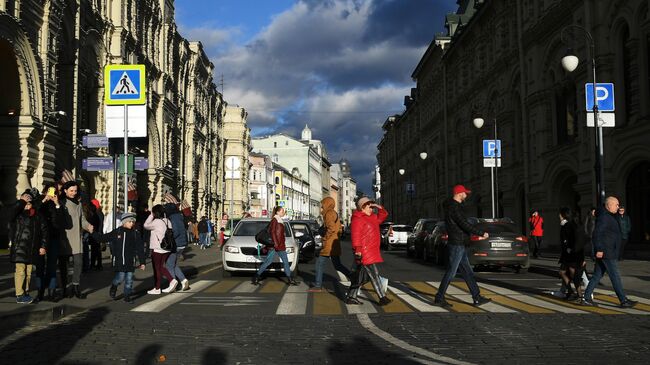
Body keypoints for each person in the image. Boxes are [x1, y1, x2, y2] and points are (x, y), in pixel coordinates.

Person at [434, 185, 491, 307]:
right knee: (451, 272)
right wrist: (481, 233)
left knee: (467, 272)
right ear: (459, 194)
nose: (466, 195)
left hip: (460, 243)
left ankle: (477, 297)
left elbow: (462, 224)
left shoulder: (453, 206)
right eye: (465, 193)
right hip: (457, 244)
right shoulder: (454, 208)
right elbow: (464, 224)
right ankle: (439, 297)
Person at [581, 197, 637, 308]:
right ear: (608, 205)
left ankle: (586, 298)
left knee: (597, 276)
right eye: (616, 204)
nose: (618, 206)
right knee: (615, 276)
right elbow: (597, 234)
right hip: (607, 252)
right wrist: (600, 249)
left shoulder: (608, 216)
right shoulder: (605, 217)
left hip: (608, 251)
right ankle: (623, 300)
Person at [345, 197, 391, 306]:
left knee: (360, 276)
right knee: (374, 274)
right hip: (364, 252)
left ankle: (351, 296)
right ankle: (382, 297)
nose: (371, 208)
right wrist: (358, 250)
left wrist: (379, 207)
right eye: (369, 206)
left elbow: (383, 215)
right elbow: (356, 236)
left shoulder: (372, 218)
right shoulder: (358, 219)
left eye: (372, 206)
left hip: (370, 250)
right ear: (362, 207)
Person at [92, 212, 146, 303]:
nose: (132, 223)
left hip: (130, 262)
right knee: (120, 278)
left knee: (129, 280)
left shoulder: (135, 234)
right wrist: (93, 233)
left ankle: (127, 296)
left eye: (133, 222)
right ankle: (114, 286)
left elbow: (140, 249)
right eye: (129, 222)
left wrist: (142, 262)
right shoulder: (117, 232)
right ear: (124, 222)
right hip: (119, 261)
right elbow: (103, 238)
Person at [9, 190, 48, 304]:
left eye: (28, 203)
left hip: (32, 249)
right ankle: (19, 294)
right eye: (24, 203)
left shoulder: (37, 215)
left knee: (29, 272)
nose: (26, 205)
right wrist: (21, 202)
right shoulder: (17, 214)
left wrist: (43, 246)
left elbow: (44, 232)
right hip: (19, 248)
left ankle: (25, 292)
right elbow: (11, 212)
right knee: (20, 271)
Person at [58, 181, 93, 299]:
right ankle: (64, 288)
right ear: (65, 191)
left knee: (79, 263)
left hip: (77, 238)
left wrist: (88, 226)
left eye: (75, 191)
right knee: (64, 266)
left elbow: (82, 219)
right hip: (64, 238)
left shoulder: (78, 204)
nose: (74, 193)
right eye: (71, 190)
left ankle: (76, 286)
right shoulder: (61, 202)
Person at [310, 197, 351, 292]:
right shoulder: (333, 213)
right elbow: (339, 229)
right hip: (334, 244)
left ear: (327, 204)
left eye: (322, 205)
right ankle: (354, 278)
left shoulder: (328, 214)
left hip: (329, 244)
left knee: (319, 263)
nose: (321, 208)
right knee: (337, 265)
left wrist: (325, 238)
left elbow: (331, 228)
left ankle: (317, 285)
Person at [251, 206, 298, 286]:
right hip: (274, 245)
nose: (284, 212)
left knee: (285, 262)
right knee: (268, 262)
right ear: (277, 212)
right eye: (282, 211)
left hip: (280, 245)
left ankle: (290, 279)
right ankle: (256, 277)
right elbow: (272, 232)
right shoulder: (275, 220)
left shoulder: (279, 220)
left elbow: (279, 234)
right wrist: (275, 244)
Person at [144, 204, 175, 294]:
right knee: (160, 267)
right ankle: (157, 287)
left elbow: (145, 225)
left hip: (158, 248)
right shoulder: (167, 221)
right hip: (167, 247)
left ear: (155, 213)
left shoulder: (156, 222)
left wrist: (151, 216)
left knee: (158, 268)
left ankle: (171, 281)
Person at [164, 197, 190, 292]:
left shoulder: (173, 218)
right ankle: (183, 280)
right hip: (182, 244)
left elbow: (176, 231)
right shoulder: (179, 217)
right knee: (173, 264)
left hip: (176, 244)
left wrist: (168, 239)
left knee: (169, 265)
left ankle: (173, 283)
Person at [558, 207, 584, 301]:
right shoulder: (567, 225)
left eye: (560, 214)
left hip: (572, 254)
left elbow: (574, 239)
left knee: (574, 274)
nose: (559, 216)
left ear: (564, 215)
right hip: (568, 254)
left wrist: (570, 248)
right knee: (564, 272)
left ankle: (579, 295)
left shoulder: (569, 225)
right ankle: (572, 292)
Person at [89, 199, 104, 270]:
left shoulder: (97, 213)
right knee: (96, 250)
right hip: (97, 233)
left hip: (96, 233)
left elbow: (100, 224)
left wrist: (99, 233)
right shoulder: (99, 213)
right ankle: (98, 264)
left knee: (95, 250)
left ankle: (95, 264)